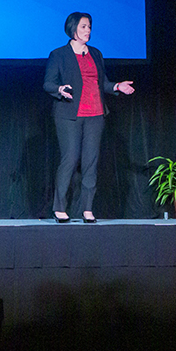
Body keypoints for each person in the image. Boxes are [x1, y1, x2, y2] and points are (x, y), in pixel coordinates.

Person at [43, 12, 134, 223]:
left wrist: (117, 86)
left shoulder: (96, 54)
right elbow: (48, 83)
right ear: (73, 28)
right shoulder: (59, 54)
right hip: (69, 115)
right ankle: (59, 207)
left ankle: (87, 209)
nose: (88, 31)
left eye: (90, 27)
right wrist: (60, 89)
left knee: (91, 162)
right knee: (70, 157)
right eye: (84, 26)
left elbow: (102, 83)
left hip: (96, 114)